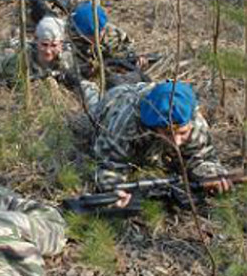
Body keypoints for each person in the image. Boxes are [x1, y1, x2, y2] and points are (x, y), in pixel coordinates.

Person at [90, 80, 231, 208]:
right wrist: (114, 190)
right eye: (168, 133)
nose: (176, 141)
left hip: (154, 99)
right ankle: (87, 87)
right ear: (153, 127)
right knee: (91, 103)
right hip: (115, 101)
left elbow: (202, 158)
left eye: (182, 133)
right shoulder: (125, 125)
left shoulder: (193, 122)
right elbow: (108, 166)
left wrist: (212, 175)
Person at [0, 16, 99, 113]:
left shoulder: (67, 58)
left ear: (61, 44)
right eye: (44, 44)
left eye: (54, 45)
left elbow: (82, 82)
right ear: (37, 41)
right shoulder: (21, 61)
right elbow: (15, 88)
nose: (48, 50)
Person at [69, 1, 149, 84]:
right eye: (91, 35)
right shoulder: (71, 39)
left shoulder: (114, 34)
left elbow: (124, 54)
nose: (98, 36)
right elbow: (71, 68)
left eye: (101, 31)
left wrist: (136, 61)